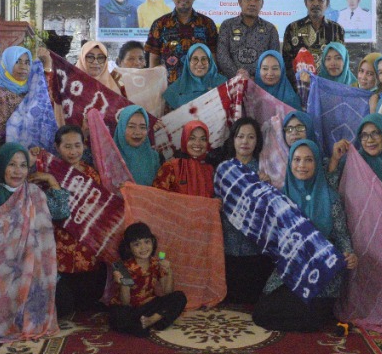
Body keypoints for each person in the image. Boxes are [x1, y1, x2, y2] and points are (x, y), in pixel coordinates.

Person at [252, 140, 358, 332]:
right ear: (290, 163)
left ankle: (318, 316)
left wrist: (349, 254)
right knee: (262, 313)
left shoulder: (331, 198)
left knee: (308, 315)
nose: (302, 165)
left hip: (322, 271)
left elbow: (342, 235)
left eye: (309, 160)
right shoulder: (282, 198)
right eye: (297, 159)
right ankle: (316, 319)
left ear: (317, 163)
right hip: (291, 268)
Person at [51, 124, 109, 315]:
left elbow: (99, 205)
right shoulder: (51, 173)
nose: (73, 151)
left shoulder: (91, 173)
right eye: (67, 146)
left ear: (84, 146)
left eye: (77, 145)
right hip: (63, 239)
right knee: (65, 304)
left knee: (90, 294)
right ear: (57, 147)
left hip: (87, 237)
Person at [215, 117, 274, 302]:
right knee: (229, 296)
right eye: (240, 136)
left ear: (257, 141)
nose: (245, 142)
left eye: (251, 137)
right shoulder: (223, 169)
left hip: (255, 247)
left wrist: (268, 187)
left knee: (253, 298)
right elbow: (215, 202)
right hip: (228, 245)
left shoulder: (264, 169)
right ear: (233, 139)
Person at [109, 223, 187, 337]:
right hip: (130, 309)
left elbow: (168, 292)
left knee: (179, 297)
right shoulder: (123, 267)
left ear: (152, 242)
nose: (143, 248)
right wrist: (122, 283)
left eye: (147, 242)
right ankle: (150, 322)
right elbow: (125, 302)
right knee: (118, 317)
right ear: (129, 247)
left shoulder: (156, 263)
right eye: (137, 244)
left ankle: (153, 319)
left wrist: (169, 272)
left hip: (149, 305)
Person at [145, 0, 219, 84]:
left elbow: (213, 59)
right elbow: (154, 62)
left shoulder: (207, 24)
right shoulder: (160, 24)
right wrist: (154, 87)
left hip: (200, 89)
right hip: (169, 90)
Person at [0, 45, 60, 154]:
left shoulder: (32, 87)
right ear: (7, 63)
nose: (23, 67)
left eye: (27, 62)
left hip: (36, 151)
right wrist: (25, 129)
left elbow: (47, 103)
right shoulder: (0, 93)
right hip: (9, 153)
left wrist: (47, 65)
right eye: (17, 62)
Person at [0, 142, 68, 216]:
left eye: (23, 165)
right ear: (1, 166)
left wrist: (51, 179)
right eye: (12, 164)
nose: (18, 171)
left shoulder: (30, 192)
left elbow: (60, 212)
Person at [215, 0, 280, 78]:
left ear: (262, 3)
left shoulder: (270, 29)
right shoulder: (227, 26)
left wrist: (256, 78)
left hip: (261, 83)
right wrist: (238, 76)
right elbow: (222, 56)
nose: (252, 3)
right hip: (231, 82)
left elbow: (274, 59)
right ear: (240, 2)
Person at [281, 0, 345, 70]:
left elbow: (341, 61)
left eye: (320, 0)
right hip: (299, 78)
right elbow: (286, 63)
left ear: (327, 3)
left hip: (328, 79)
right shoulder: (292, 28)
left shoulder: (337, 30)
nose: (315, 4)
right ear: (305, 2)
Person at [340, 113, 382, 197]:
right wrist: (335, 159)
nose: (370, 140)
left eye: (375, 133)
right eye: (364, 135)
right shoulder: (354, 163)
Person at [152, 120, 215, 197]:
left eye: (203, 139)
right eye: (192, 138)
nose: (197, 143)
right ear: (185, 139)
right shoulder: (171, 167)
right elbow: (158, 198)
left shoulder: (210, 171)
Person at [162, 43, 226, 111]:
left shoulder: (222, 84)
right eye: (195, 59)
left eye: (204, 59)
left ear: (210, 62)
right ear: (188, 62)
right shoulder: (175, 90)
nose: (199, 64)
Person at [113, 105, 161, 187]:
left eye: (142, 127)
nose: (137, 132)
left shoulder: (153, 157)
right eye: (131, 127)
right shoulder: (109, 157)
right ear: (121, 128)